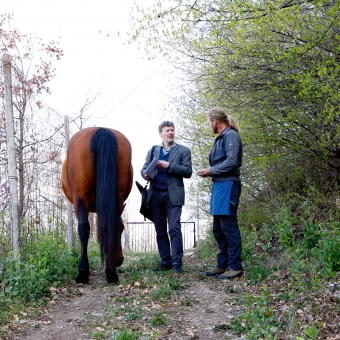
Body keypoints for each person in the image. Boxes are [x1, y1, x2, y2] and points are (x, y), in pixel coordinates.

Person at [198, 107, 243, 280]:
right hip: (219, 186)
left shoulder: (231, 135)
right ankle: (222, 264)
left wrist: (211, 170)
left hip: (229, 185)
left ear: (214, 122)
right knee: (218, 229)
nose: (209, 125)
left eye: (209, 122)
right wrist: (210, 172)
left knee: (229, 227)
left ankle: (235, 265)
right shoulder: (220, 138)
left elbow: (232, 161)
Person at [141, 121, 192, 274]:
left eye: (172, 130)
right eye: (167, 131)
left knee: (175, 229)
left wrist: (169, 165)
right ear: (160, 134)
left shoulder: (183, 150)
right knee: (160, 230)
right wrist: (145, 174)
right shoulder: (153, 151)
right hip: (155, 194)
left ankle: (177, 264)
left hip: (173, 196)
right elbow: (144, 168)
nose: (170, 133)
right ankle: (165, 262)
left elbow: (188, 171)